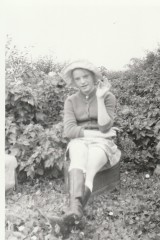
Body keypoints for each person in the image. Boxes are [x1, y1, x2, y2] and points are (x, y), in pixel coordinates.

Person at [48, 60, 121, 233]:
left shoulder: (108, 96)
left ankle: (72, 214)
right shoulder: (71, 101)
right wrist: (97, 134)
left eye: (85, 76)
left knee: (89, 168)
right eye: (78, 78)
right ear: (73, 81)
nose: (82, 81)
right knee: (77, 158)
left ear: (93, 77)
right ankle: (74, 213)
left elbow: (105, 127)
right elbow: (69, 130)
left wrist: (101, 99)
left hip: (103, 143)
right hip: (81, 140)